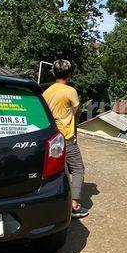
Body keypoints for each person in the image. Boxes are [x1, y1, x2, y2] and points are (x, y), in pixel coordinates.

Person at [42, 60, 89, 219]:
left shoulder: (46, 92)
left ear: (53, 73)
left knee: (60, 170)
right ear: (69, 74)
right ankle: (74, 205)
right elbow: (77, 112)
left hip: (50, 137)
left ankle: (57, 203)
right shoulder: (70, 91)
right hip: (66, 137)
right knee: (78, 168)